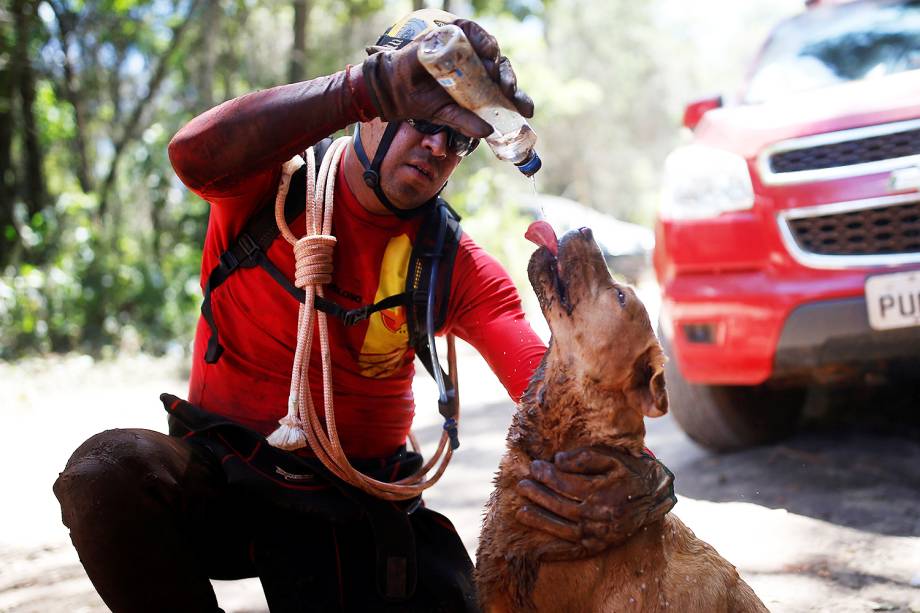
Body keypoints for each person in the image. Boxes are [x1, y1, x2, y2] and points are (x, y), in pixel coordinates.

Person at [53, 10, 675, 613]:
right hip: (229, 480)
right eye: (421, 117)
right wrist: (365, 84)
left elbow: (550, 392)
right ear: (372, 110)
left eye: (457, 137)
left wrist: (642, 473)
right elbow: (190, 155)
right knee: (105, 474)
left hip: (359, 501)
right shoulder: (268, 187)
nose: (436, 145)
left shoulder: (451, 261)